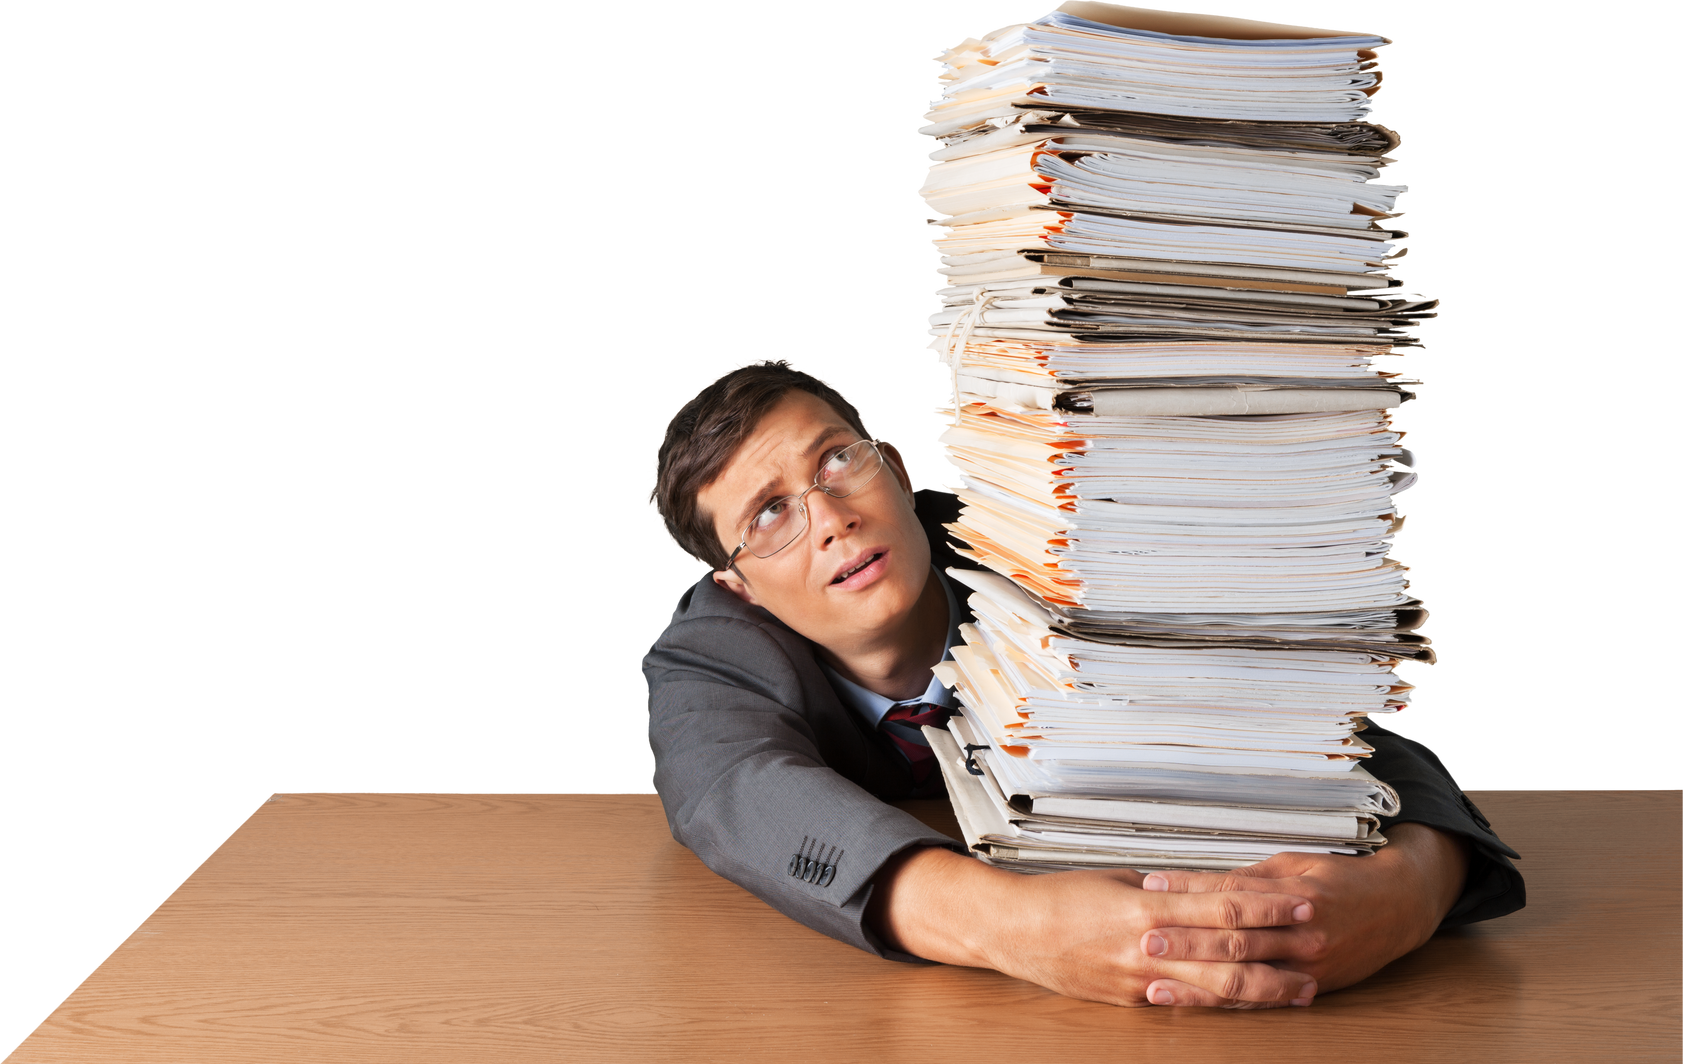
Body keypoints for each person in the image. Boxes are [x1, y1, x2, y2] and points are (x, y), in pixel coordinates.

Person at [644, 359, 1523, 1009]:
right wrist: (1007, 925)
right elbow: (727, 786)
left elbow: (1330, 729)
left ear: (899, 472)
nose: (829, 518)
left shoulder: (1058, 551)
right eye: (768, 515)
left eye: (836, 462)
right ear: (738, 585)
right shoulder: (717, 649)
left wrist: (1414, 887)